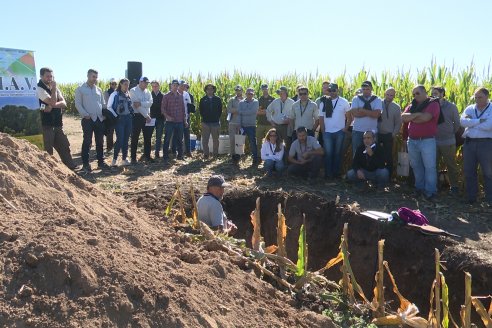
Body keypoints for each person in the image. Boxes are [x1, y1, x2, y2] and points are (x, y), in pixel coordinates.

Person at [402, 85, 441, 201]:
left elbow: (426, 118)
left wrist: (412, 117)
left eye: (417, 93)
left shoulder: (433, 104)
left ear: (425, 93)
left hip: (427, 141)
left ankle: (430, 191)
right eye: (413, 94)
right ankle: (419, 188)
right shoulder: (412, 105)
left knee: (429, 167)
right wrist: (418, 115)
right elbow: (403, 118)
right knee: (416, 166)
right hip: (412, 141)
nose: (415, 96)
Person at [36, 67, 76, 170]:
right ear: (41, 76)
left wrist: (51, 106)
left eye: (51, 76)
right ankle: (49, 172)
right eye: (47, 76)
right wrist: (53, 91)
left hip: (58, 124)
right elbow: (53, 102)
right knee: (48, 150)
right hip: (46, 125)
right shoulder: (39, 89)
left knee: (64, 146)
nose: (50, 78)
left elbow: (64, 103)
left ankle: (70, 167)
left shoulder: (55, 88)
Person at [460, 87, 492, 205]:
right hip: (469, 143)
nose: (477, 99)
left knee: (488, 172)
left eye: (480, 97)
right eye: (476, 97)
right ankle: (471, 197)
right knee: (469, 171)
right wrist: (479, 121)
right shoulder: (470, 108)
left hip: (486, 144)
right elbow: (462, 122)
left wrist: (472, 122)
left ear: (487, 97)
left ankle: (490, 198)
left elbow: (489, 126)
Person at [75, 68, 108, 172]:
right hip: (88, 119)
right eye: (93, 76)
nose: (95, 79)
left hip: (99, 119)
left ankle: (101, 163)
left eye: (96, 77)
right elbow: (78, 104)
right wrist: (85, 114)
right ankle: (85, 164)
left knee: (100, 142)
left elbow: (103, 104)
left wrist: (105, 114)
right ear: (88, 76)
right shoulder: (80, 89)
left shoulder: (99, 90)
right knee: (87, 142)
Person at [318, 83, 351, 179]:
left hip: (340, 132)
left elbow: (349, 118)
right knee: (328, 154)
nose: (332, 92)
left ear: (338, 90)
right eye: (330, 90)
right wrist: (323, 132)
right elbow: (321, 118)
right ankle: (328, 174)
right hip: (327, 132)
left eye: (334, 90)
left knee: (338, 153)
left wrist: (345, 128)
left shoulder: (344, 102)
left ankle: (336, 173)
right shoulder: (323, 102)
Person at [431, 86, 461, 195]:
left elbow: (457, 123)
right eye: (432, 93)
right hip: (433, 141)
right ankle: (434, 186)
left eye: (436, 93)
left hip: (448, 141)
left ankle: (454, 187)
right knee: (433, 165)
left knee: (451, 164)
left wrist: (450, 133)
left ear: (442, 93)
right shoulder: (431, 105)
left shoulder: (451, 106)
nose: (434, 95)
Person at [349, 81, 383, 156]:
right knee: (357, 153)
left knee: (372, 153)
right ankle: (357, 167)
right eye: (363, 89)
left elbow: (376, 114)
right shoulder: (356, 99)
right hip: (358, 131)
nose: (365, 91)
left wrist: (362, 110)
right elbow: (355, 114)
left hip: (372, 132)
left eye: (367, 89)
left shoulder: (377, 100)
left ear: (371, 89)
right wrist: (371, 112)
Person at [107, 78, 134, 167]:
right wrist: (116, 116)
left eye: (128, 84)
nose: (127, 86)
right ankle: (114, 160)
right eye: (125, 84)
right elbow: (109, 107)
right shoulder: (115, 94)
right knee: (120, 139)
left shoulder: (128, 94)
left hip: (128, 119)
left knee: (126, 139)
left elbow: (130, 106)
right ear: (121, 84)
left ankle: (124, 159)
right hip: (119, 119)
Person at [377, 87, 402, 177]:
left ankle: (388, 177)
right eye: (388, 94)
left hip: (388, 135)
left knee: (388, 157)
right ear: (384, 94)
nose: (389, 96)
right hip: (377, 134)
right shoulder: (378, 103)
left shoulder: (396, 107)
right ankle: (378, 175)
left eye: (391, 95)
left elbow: (398, 123)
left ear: (394, 96)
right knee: (377, 155)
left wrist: (393, 134)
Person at [161, 79, 186, 161]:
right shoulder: (166, 96)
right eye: (174, 85)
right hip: (170, 122)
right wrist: (167, 116)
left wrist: (184, 120)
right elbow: (163, 109)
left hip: (179, 121)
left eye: (176, 85)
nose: (175, 87)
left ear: (178, 86)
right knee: (167, 139)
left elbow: (183, 109)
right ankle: (165, 156)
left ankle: (180, 155)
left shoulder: (180, 96)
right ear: (171, 86)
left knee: (179, 139)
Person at [130, 76, 153, 163]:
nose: (147, 84)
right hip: (137, 117)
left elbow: (150, 103)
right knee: (135, 138)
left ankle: (147, 156)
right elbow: (136, 106)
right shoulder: (133, 91)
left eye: (147, 83)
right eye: (145, 83)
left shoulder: (148, 92)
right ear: (140, 82)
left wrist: (141, 103)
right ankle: (133, 158)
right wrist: (146, 115)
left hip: (147, 117)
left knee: (147, 138)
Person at [199, 83, 222, 159]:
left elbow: (220, 111)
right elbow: (201, 111)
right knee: (205, 140)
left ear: (213, 90)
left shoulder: (218, 99)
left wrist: (216, 118)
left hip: (215, 122)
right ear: (205, 90)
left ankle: (215, 154)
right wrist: (205, 118)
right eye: (208, 89)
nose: (209, 90)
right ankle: (206, 154)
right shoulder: (202, 100)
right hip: (205, 122)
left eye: (211, 89)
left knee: (216, 140)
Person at [239, 88, 260, 166]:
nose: (250, 95)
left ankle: (255, 159)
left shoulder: (256, 102)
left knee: (253, 143)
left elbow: (253, 111)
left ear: (253, 94)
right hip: (242, 126)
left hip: (251, 125)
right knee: (240, 143)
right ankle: (238, 158)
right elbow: (239, 113)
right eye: (248, 94)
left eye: (251, 94)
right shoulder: (241, 102)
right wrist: (239, 124)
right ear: (245, 94)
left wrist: (243, 112)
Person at [173, 80, 194, 157]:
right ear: (178, 86)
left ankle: (188, 152)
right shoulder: (174, 94)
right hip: (177, 118)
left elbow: (189, 105)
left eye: (184, 85)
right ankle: (178, 152)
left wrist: (191, 110)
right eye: (182, 85)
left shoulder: (187, 94)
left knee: (186, 135)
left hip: (186, 117)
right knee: (178, 136)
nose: (183, 87)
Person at [226, 85, 244, 161]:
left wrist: (235, 110)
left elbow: (246, 110)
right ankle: (233, 155)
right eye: (236, 90)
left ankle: (239, 154)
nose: (238, 92)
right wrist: (240, 110)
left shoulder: (245, 100)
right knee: (232, 139)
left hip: (242, 123)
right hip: (232, 123)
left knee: (240, 140)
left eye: (239, 90)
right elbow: (229, 110)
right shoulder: (232, 100)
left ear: (242, 91)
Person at [257, 84, 275, 156]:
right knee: (259, 141)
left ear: (268, 89)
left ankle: (270, 155)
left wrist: (263, 111)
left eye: (266, 89)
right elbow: (257, 112)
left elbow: (273, 111)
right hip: (260, 123)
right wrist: (267, 110)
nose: (265, 90)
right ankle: (259, 156)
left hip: (270, 124)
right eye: (263, 89)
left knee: (271, 141)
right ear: (262, 90)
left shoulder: (273, 99)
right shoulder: (259, 100)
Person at [150, 81, 165, 158]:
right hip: (151, 118)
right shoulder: (149, 95)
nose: (154, 88)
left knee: (158, 137)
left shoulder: (163, 96)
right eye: (153, 86)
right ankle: (147, 153)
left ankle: (157, 152)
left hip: (160, 119)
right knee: (148, 136)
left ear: (159, 86)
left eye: (156, 86)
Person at [103, 78, 117, 153]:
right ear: (110, 84)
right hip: (109, 114)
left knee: (118, 131)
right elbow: (107, 103)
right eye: (112, 84)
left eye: (115, 84)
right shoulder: (106, 92)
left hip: (116, 114)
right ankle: (109, 147)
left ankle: (116, 146)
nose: (114, 85)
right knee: (110, 131)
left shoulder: (117, 92)